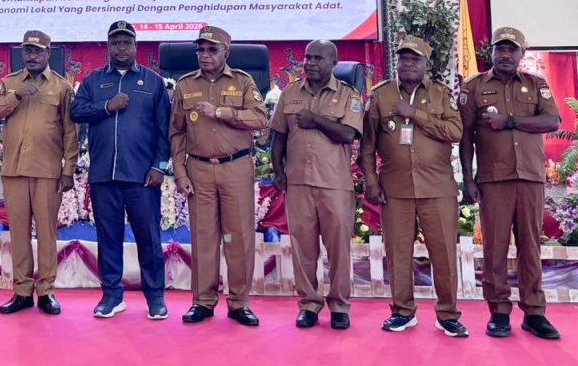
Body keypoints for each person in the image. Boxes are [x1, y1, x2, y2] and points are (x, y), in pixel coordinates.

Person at [460, 26, 561, 340]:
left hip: (530, 178)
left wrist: (511, 121)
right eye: (500, 49)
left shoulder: (536, 84)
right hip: (493, 179)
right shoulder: (474, 87)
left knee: (530, 246)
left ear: (521, 53)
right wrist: (468, 180)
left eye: (511, 49)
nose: (505, 55)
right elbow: (465, 137)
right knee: (495, 248)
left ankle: (534, 313)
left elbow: (552, 121)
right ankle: (499, 312)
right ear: (490, 52)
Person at [361, 36, 467, 336]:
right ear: (396, 62)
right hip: (395, 189)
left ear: (426, 64)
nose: (408, 63)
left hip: (438, 188)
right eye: (403, 58)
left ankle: (448, 314)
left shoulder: (441, 94)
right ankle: (402, 312)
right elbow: (367, 146)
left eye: (415, 59)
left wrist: (416, 115)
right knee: (397, 252)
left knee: (444, 253)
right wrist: (371, 182)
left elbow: (455, 131)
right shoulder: (380, 95)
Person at [70, 21, 171, 320]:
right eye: (116, 43)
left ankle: (155, 297)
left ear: (136, 46)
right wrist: (106, 106)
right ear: (108, 47)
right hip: (104, 175)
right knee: (108, 238)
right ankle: (112, 296)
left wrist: (159, 166)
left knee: (148, 238)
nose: (121, 48)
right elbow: (76, 111)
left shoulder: (153, 82)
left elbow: (164, 130)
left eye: (127, 43)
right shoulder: (93, 81)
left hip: (142, 177)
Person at [170, 26, 268, 326]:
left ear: (226, 52)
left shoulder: (242, 81)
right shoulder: (185, 85)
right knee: (203, 239)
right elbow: (176, 132)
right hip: (198, 169)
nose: (205, 55)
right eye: (200, 49)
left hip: (235, 167)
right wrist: (180, 172)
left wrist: (221, 112)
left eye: (212, 49)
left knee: (238, 238)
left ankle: (239, 303)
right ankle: (203, 301)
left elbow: (260, 118)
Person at [269, 39, 362, 329]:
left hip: (334, 184)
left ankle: (339, 306)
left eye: (318, 58)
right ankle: (309, 304)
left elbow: (348, 134)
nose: (310, 63)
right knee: (303, 248)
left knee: (338, 250)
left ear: (334, 63)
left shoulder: (348, 94)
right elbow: (278, 136)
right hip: (298, 183)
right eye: (307, 57)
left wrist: (316, 120)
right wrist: (278, 170)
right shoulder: (290, 92)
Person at [0, 30, 78, 315]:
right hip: (14, 171)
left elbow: (70, 132)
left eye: (38, 51)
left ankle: (47, 290)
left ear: (48, 53)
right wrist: (16, 95)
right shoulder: (9, 83)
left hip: (47, 171)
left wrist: (68, 169)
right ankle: (22, 291)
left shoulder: (61, 87)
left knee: (47, 233)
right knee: (19, 233)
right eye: (28, 50)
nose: (32, 56)